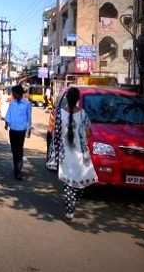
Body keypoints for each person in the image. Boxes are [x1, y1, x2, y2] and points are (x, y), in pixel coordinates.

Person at [53, 87, 97, 223]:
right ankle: (71, 205)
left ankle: (70, 210)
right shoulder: (83, 114)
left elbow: (57, 135)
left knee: (68, 183)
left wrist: (55, 153)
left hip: (65, 154)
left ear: (67, 98)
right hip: (80, 154)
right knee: (80, 181)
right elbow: (89, 133)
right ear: (78, 99)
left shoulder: (60, 113)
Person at [4, 84, 32, 180]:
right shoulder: (12, 103)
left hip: (21, 131)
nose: (12, 95)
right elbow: (9, 114)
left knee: (19, 150)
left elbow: (29, 117)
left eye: (13, 93)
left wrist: (29, 129)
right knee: (14, 150)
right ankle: (16, 167)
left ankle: (18, 171)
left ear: (17, 93)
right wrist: (6, 124)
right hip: (13, 130)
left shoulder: (27, 104)